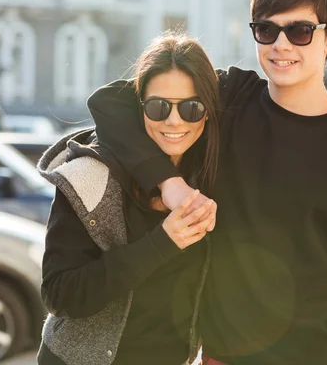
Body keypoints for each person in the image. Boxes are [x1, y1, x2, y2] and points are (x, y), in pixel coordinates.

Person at [86, 0, 327, 364]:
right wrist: (168, 182)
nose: (281, 45)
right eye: (266, 30)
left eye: (299, 31)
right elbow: (110, 103)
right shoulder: (230, 99)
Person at [37, 33, 219, 365]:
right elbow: (59, 296)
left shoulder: (210, 179)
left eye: (192, 108)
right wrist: (163, 242)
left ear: (207, 113)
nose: (174, 120)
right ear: (139, 109)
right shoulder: (90, 179)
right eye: (158, 106)